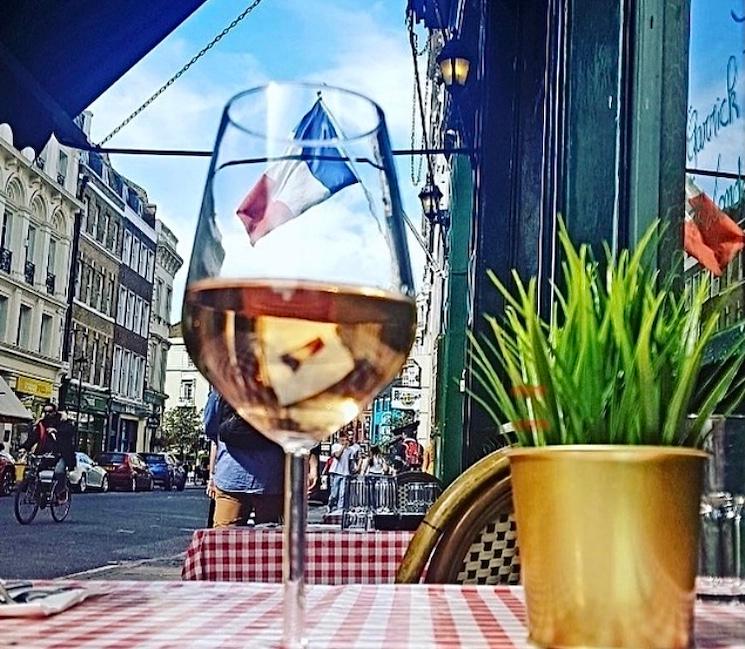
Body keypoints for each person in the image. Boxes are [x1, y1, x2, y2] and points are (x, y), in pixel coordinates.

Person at [204, 389, 285, 527]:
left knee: (224, 542)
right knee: (269, 542)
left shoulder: (224, 385)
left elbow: (211, 428)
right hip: (270, 477)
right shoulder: (278, 384)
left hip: (231, 475)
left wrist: (212, 475)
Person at [20, 403, 76, 492]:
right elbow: (34, 437)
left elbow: (70, 431)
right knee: (35, 471)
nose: (47, 414)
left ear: (55, 412)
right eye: (45, 411)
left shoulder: (63, 422)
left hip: (62, 454)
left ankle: (60, 492)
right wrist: (25, 447)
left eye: (49, 411)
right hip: (46, 453)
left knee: (59, 471)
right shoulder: (42, 424)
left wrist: (56, 431)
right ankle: (38, 494)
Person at [327, 431, 358, 512]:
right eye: (344, 439)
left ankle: (339, 509)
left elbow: (351, 461)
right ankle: (330, 505)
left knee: (342, 493)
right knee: (334, 493)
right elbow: (337, 456)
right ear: (340, 439)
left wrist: (353, 470)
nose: (346, 440)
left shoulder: (350, 450)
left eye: (347, 439)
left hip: (345, 473)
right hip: (335, 472)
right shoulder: (335, 446)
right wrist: (343, 447)